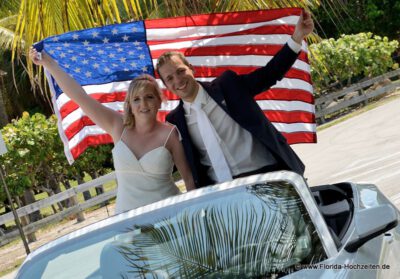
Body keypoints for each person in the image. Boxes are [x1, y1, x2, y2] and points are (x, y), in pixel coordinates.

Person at [156, 11, 314, 188]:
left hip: (270, 174)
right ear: (165, 85)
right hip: (224, 193)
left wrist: (297, 37)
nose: (177, 80)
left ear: (191, 68)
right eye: (169, 78)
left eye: (180, 71)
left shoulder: (228, 86)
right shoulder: (174, 122)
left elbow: (270, 74)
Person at [29, 49, 195, 214]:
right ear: (129, 105)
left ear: (159, 101)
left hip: (170, 214)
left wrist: (194, 214)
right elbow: (79, 96)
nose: (143, 104)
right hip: (127, 222)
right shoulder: (118, 126)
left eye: (149, 97)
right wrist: (48, 64)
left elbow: (188, 178)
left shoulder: (170, 134)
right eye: (136, 99)